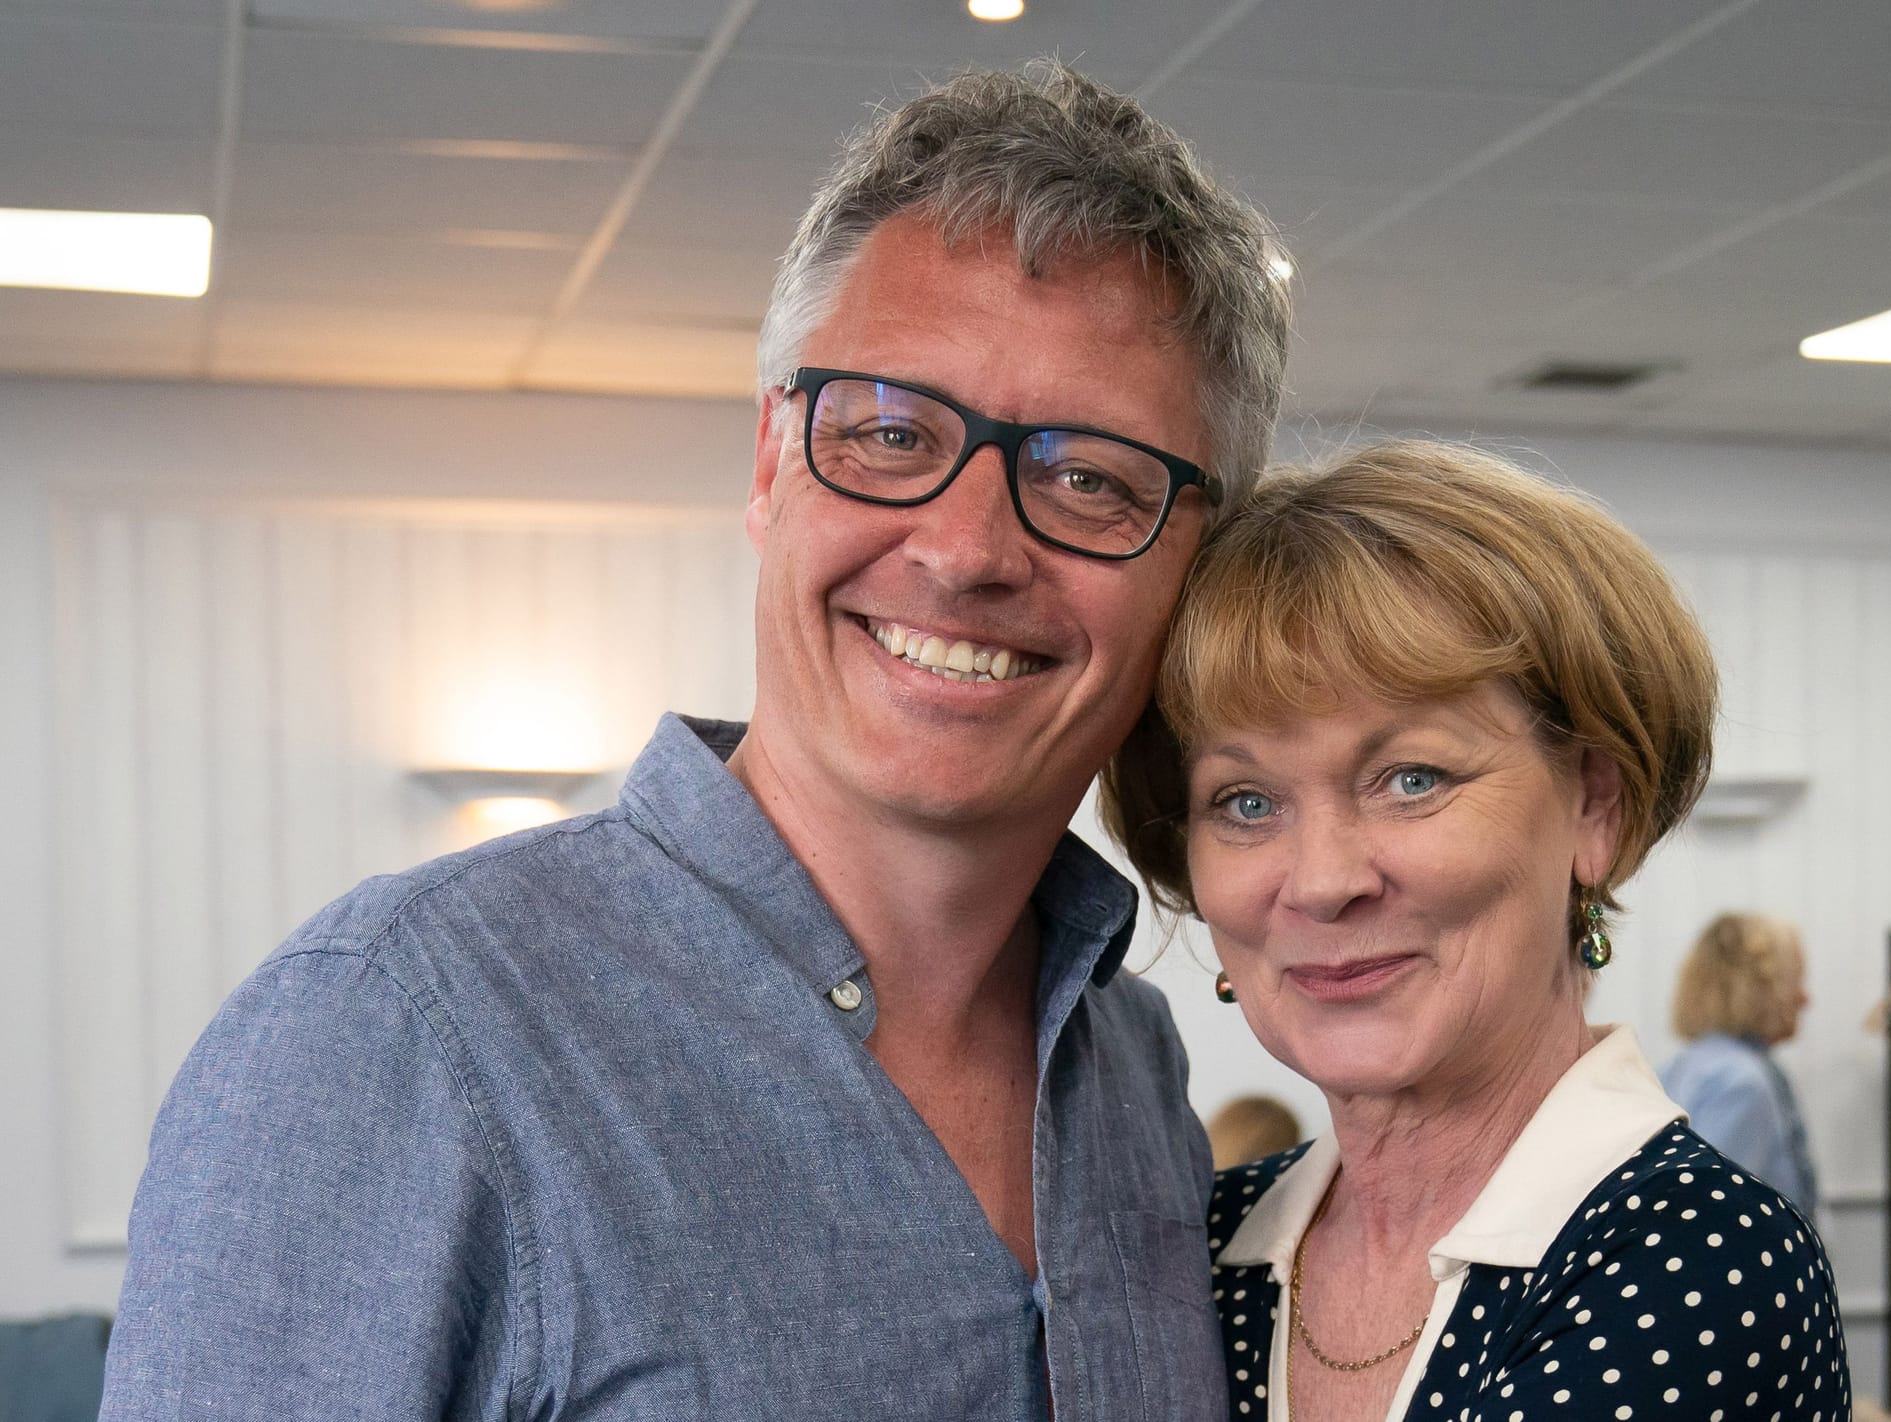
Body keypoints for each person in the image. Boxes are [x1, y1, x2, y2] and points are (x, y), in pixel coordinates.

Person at [99, 62, 1291, 1421]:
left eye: (1088, 476)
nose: (965, 549)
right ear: (772, 465)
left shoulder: (1130, 1071)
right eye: (892, 430)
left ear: (1197, 561)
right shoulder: (396, 1029)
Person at [1103, 441, 1852, 1422]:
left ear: (1594, 805)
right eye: (1244, 802)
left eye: (1410, 779)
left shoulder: (1699, 1259)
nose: (1324, 882)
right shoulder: (1204, 1240)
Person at [1661, 912, 1820, 1218]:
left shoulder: (1678, 1068)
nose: (1805, 998)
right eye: (1796, 981)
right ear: (1760, 988)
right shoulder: (1739, 1083)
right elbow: (1709, 1212)